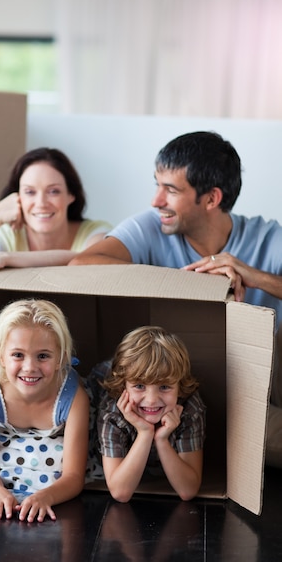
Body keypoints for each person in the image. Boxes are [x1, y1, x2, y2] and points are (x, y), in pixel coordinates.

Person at [69, 131, 282, 466]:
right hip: (174, 392)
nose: (156, 200)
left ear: (211, 199)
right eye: (157, 185)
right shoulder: (151, 227)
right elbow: (82, 264)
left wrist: (255, 276)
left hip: (257, 383)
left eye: (171, 189)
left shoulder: (267, 238)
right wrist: (186, 283)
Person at [0, 298, 90, 523]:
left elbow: (74, 476)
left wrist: (45, 497)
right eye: (18, 355)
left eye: (43, 356)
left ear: (61, 359)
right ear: (0, 356)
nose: (30, 367)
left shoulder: (75, 399)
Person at [0, 147, 112, 289]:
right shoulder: (8, 236)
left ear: (71, 195)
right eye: (29, 192)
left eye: (53, 191)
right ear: (17, 197)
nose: (41, 203)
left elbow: (89, 260)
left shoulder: (95, 232)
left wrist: (6, 258)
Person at [90, 326, 205, 502]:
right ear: (123, 387)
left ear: (179, 387)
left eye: (165, 387)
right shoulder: (112, 411)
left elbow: (188, 490)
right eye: (139, 386)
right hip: (99, 382)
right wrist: (145, 433)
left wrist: (162, 440)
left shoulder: (189, 408)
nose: (151, 400)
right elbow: (120, 492)